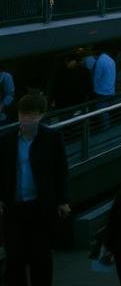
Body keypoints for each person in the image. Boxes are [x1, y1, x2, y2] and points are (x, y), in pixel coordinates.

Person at [0, 94, 70, 286]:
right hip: (14, 208)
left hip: (40, 208)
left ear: (41, 115)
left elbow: (61, 170)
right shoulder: (7, 140)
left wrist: (63, 200)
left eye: (31, 115)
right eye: (23, 114)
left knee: (40, 258)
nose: (26, 119)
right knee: (15, 258)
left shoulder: (52, 138)